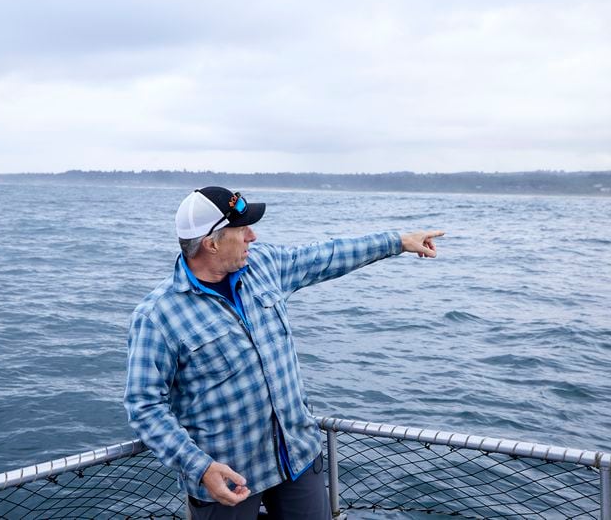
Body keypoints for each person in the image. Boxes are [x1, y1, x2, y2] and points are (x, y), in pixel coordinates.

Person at [124, 186, 443, 519]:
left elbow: (328, 256)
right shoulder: (158, 316)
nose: (252, 236)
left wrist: (398, 241)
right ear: (211, 242)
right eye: (241, 229)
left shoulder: (264, 266)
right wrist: (200, 468)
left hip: (297, 456)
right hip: (229, 479)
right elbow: (144, 406)